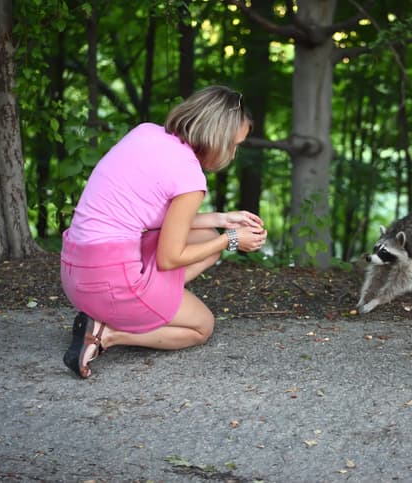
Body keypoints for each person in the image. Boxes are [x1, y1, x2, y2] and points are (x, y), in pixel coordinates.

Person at [60, 85, 267, 379]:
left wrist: (222, 218)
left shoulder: (146, 133)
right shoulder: (189, 176)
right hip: (108, 284)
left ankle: (142, 304)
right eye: (233, 145)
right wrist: (231, 239)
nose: (233, 154)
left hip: (76, 273)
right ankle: (108, 333)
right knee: (201, 326)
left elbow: (155, 215)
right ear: (216, 137)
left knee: (207, 240)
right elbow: (170, 258)